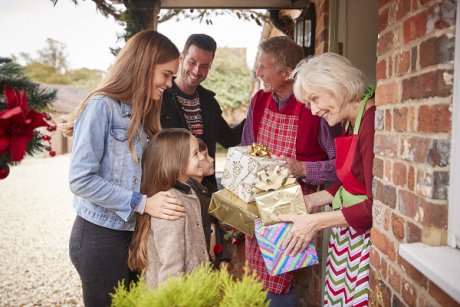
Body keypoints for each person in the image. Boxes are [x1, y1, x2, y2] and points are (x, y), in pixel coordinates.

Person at [64, 30, 185, 307]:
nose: (169, 84)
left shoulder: (143, 112)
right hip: (98, 238)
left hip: (130, 237)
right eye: (166, 74)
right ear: (145, 64)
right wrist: (142, 203)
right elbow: (81, 180)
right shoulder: (100, 106)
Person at [240, 36, 341, 306]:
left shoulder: (315, 108)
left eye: (264, 67)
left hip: (298, 206)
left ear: (287, 73)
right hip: (258, 204)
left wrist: (304, 168)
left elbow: (340, 166)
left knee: (283, 278)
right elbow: (246, 150)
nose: (258, 73)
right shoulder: (258, 101)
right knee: (256, 280)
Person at [280, 52, 375, 306]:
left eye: (314, 99)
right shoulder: (349, 121)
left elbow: (374, 208)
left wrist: (315, 222)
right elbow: (352, 182)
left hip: (365, 242)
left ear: (337, 85)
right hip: (348, 236)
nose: (312, 110)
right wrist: (312, 200)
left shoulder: (371, 122)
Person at [128, 128, 208, 288]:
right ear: (175, 160)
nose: (201, 158)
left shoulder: (188, 191)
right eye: (195, 154)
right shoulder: (170, 202)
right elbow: (171, 267)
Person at [161, 33, 244, 186]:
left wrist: (255, 113)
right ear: (181, 58)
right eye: (192, 62)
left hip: (205, 191)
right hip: (169, 192)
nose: (197, 70)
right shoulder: (160, 98)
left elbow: (229, 139)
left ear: (210, 66)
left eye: (204, 66)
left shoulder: (208, 101)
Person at [187, 138, 232, 268]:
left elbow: (220, 228)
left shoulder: (210, 190)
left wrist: (224, 257)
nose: (211, 159)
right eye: (205, 156)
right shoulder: (189, 196)